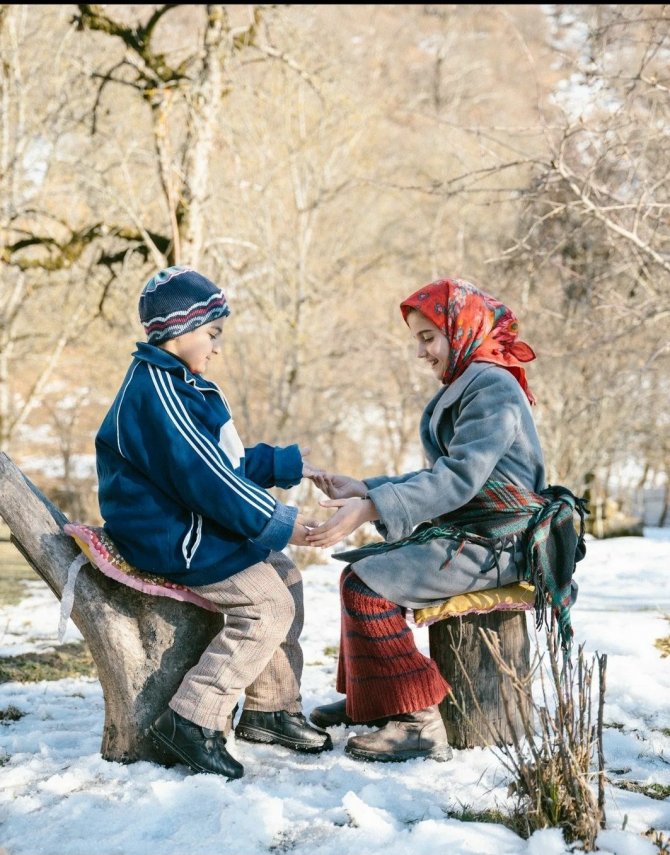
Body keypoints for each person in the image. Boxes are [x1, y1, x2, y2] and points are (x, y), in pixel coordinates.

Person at [306, 276, 584, 764]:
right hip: (473, 534)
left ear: (462, 329)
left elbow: (458, 480)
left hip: (500, 543)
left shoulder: (492, 387)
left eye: (427, 338)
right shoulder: (471, 382)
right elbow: (443, 473)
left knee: (367, 587)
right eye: (418, 339)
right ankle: (374, 701)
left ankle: (417, 721)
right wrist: (367, 488)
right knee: (357, 576)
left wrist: (373, 508)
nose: (421, 353)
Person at [95, 265, 332, 780]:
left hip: (189, 520)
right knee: (267, 604)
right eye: (212, 333)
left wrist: (286, 465)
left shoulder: (182, 385)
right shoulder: (156, 393)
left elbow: (222, 464)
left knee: (285, 576)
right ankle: (191, 719)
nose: (217, 346)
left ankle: (271, 708)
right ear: (178, 330)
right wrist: (279, 519)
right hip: (168, 535)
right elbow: (207, 481)